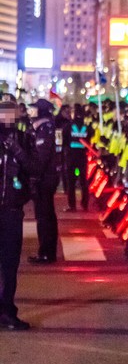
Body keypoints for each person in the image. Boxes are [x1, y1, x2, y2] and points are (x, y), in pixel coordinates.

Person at [0, 100, 32, 330]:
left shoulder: (22, 138)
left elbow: (35, 168)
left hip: (12, 210)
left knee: (10, 265)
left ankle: (8, 311)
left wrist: (18, 151)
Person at [27, 98, 59, 265]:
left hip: (45, 178)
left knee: (44, 216)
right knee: (46, 215)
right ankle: (47, 250)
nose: (31, 112)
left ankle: (46, 252)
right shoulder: (45, 127)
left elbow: (41, 157)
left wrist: (34, 176)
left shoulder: (45, 129)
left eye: (35, 109)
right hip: (47, 177)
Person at [64, 103, 92, 211]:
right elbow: (89, 141)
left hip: (71, 157)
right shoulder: (87, 128)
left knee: (71, 182)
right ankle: (85, 204)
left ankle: (72, 205)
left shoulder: (68, 127)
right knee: (83, 181)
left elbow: (65, 142)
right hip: (82, 156)